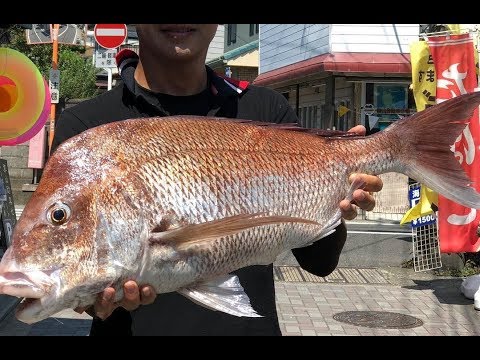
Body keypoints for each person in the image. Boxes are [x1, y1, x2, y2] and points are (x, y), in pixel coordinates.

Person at [51, 24, 383, 336]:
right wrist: (92, 297)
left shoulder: (265, 110)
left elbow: (319, 262)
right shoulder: (85, 132)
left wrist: (340, 202)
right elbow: (72, 274)